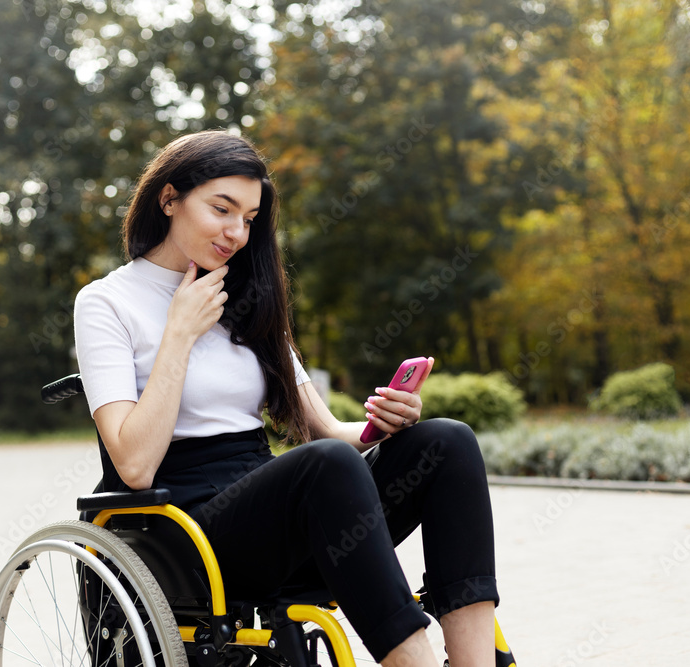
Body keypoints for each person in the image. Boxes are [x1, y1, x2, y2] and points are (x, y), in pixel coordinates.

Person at [73, 130, 499, 667]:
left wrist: (381, 426)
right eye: (222, 209)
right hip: (183, 531)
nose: (236, 233)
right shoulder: (107, 302)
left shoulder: (248, 297)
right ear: (169, 198)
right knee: (325, 466)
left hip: (277, 509)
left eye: (249, 219)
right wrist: (178, 334)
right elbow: (133, 466)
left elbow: (329, 433)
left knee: (446, 441)